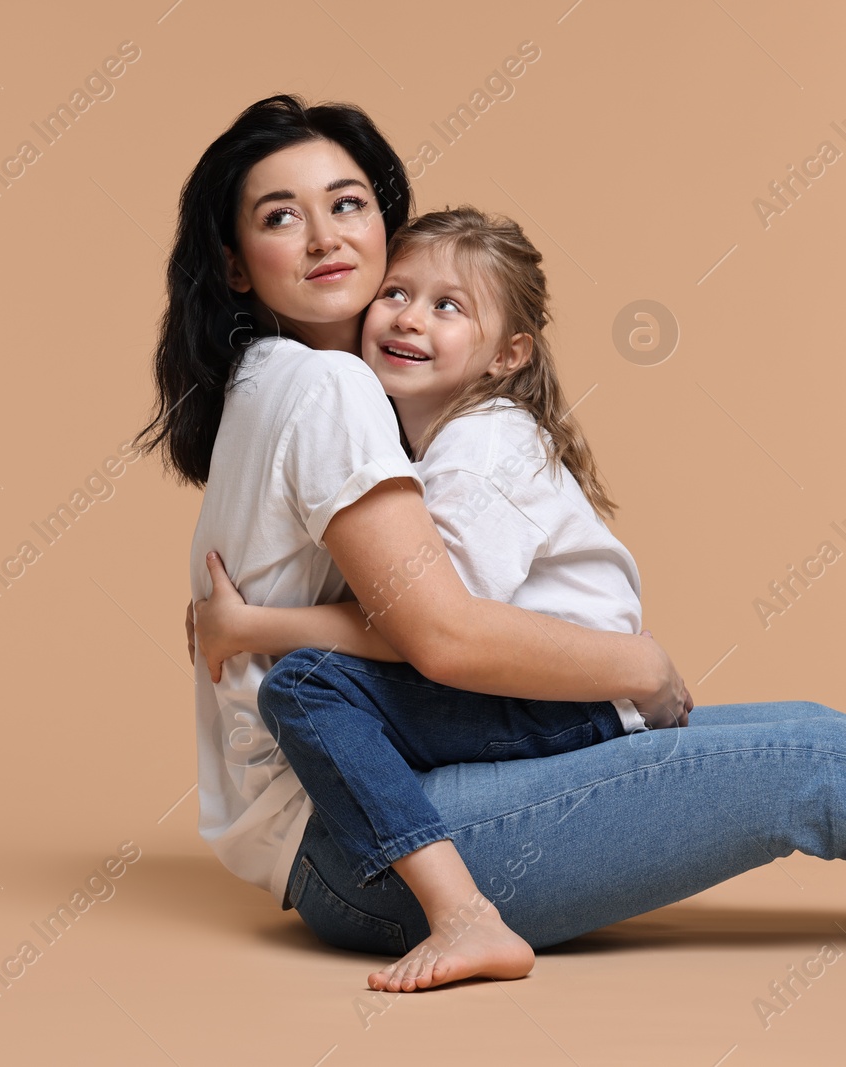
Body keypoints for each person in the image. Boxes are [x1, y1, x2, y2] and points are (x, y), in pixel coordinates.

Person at [139, 93, 846, 995]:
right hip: (367, 847)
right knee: (812, 762)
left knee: (817, 738)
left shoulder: (276, 381)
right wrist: (640, 663)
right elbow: (443, 635)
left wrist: (250, 627)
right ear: (236, 267)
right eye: (282, 217)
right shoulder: (333, 392)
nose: (324, 238)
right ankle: (464, 912)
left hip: (362, 816)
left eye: (347, 204)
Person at [195, 204, 665, 992]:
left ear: (507, 353)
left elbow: (431, 631)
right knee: (334, 691)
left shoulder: (480, 449)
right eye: (398, 293)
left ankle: (465, 914)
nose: (410, 318)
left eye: (448, 306)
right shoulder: (434, 442)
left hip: (570, 698)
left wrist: (248, 625)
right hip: (536, 692)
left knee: (308, 687)